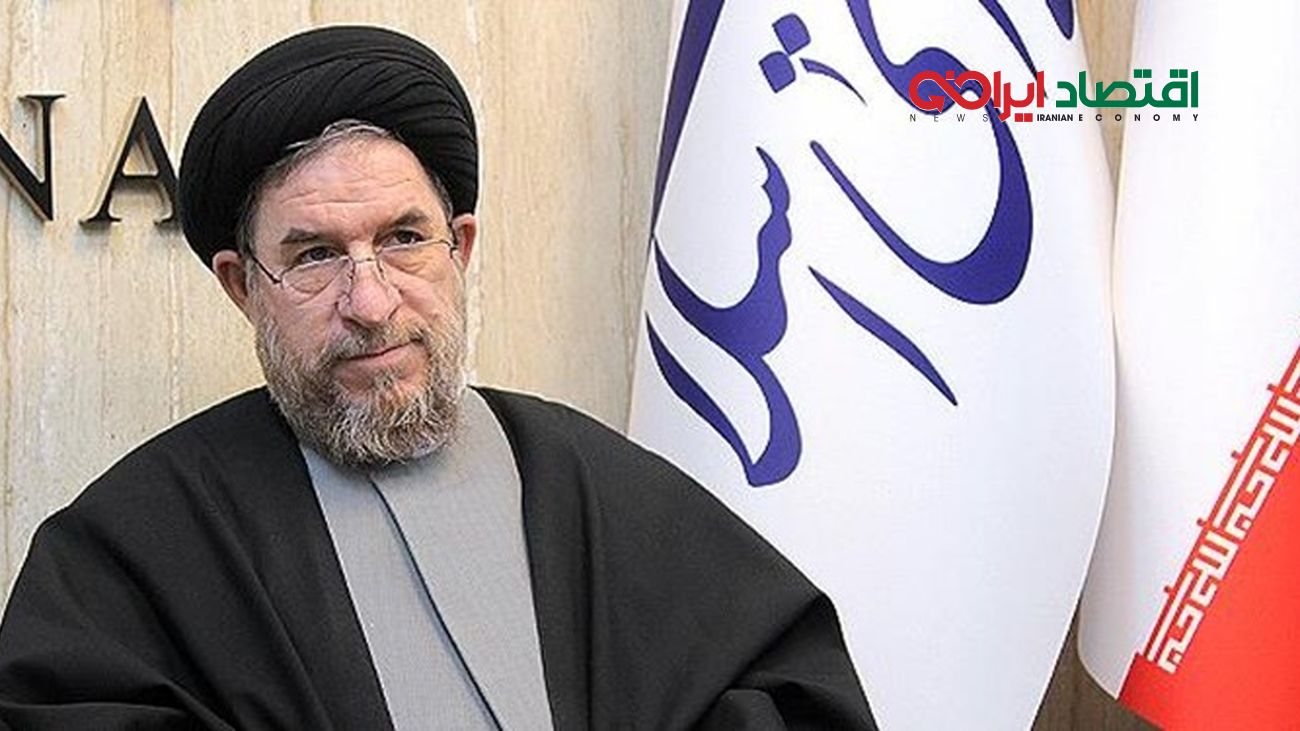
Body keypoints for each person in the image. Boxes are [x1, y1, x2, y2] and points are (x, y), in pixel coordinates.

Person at [0, 26, 875, 730]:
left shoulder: (595, 486)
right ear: (243, 285)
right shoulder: (136, 549)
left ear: (460, 247)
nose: (371, 301)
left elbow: (789, 691)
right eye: (314, 256)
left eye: (404, 239)